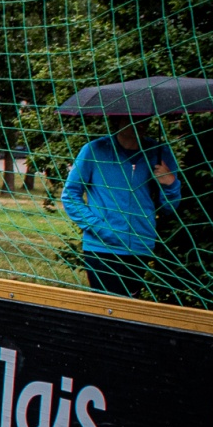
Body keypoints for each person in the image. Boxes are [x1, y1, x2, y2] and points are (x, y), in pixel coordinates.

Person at [62, 118, 181, 298]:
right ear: (117, 119)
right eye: (132, 119)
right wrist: (101, 228)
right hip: (102, 248)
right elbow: (70, 195)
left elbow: (169, 208)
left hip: (140, 246)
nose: (140, 124)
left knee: (130, 305)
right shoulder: (95, 150)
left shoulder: (159, 152)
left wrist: (171, 184)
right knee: (107, 307)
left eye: (144, 119)